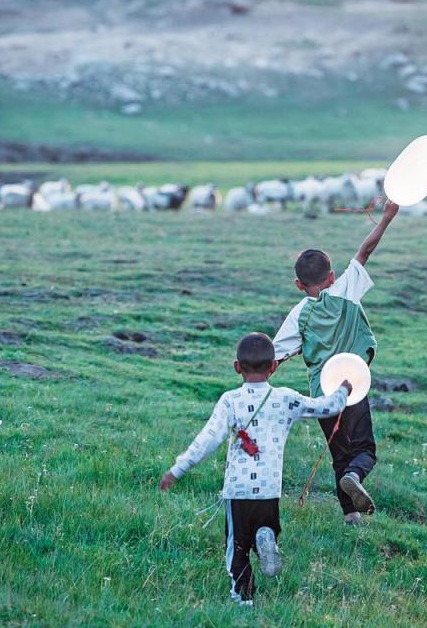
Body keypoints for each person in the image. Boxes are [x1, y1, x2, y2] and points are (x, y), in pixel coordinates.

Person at [159, 333, 350, 607]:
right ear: (273, 367)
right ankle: (267, 536)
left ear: (237, 367)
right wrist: (343, 390)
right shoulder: (285, 398)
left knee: (237, 549)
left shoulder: (230, 401)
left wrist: (177, 470)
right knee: (264, 526)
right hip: (269, 489)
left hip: (238, 490)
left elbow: (207, 439)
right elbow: (326, 407)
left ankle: (244, 601)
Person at [273, 201, 400, 525]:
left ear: (299, 285)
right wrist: (386, 217)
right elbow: (365, 250)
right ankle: (356, 475)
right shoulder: (345, 290)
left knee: (338, 453)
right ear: (331, 276)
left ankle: (350, 515)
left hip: (321, 393)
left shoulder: (298, 313)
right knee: (363, 449)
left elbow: (273, 357)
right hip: (352, 385)